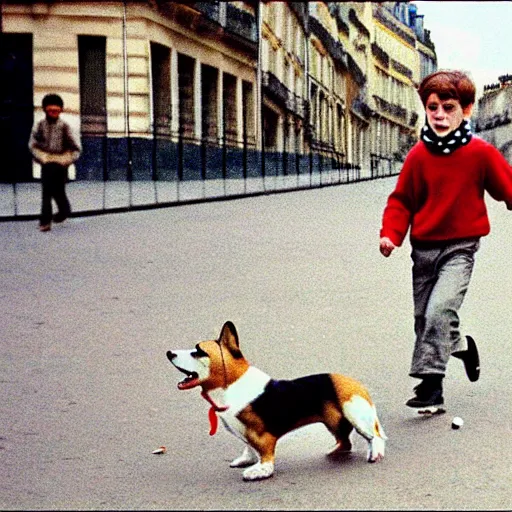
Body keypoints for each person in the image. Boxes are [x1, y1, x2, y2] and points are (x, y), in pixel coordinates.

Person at [379, 70, 512, 409]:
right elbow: (401, 201)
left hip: (460, 249)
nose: (439, 115)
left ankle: (431, 388)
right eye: (432, 107)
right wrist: (390, 235)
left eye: (448, 107)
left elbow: (507, 188)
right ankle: (462, 348)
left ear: (465, 111)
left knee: (440, 309)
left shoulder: (480, 154)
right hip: (422, 251)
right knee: (424, 319)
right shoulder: (418, 156)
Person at [28, 94, 81, 232]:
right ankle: (45, 220)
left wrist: (65, 160)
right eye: (50, 110)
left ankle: (64, 210)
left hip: (60, 165)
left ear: (60, 111)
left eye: (56, 111)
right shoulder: (39, 126)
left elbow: (76, 148)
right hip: (46, 163)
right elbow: (32, 145)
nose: (53, 113)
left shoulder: (65, 127)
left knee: (59, 191)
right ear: (45, 110)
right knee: (46, 192)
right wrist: (42, 157)